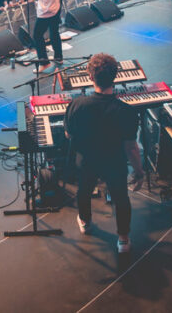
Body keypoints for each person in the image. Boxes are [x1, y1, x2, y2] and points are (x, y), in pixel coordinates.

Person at [65, 54, 144, 253]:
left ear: (90, 77)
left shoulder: (77, 105)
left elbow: (68, 134)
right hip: (114, 162)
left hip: (86, 160)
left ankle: (85, 222)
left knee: (84, 191)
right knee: (121, 198)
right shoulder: (126, 111)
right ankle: (123, 240)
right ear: (115, 77)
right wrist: (139, 172)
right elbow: (131, 148)